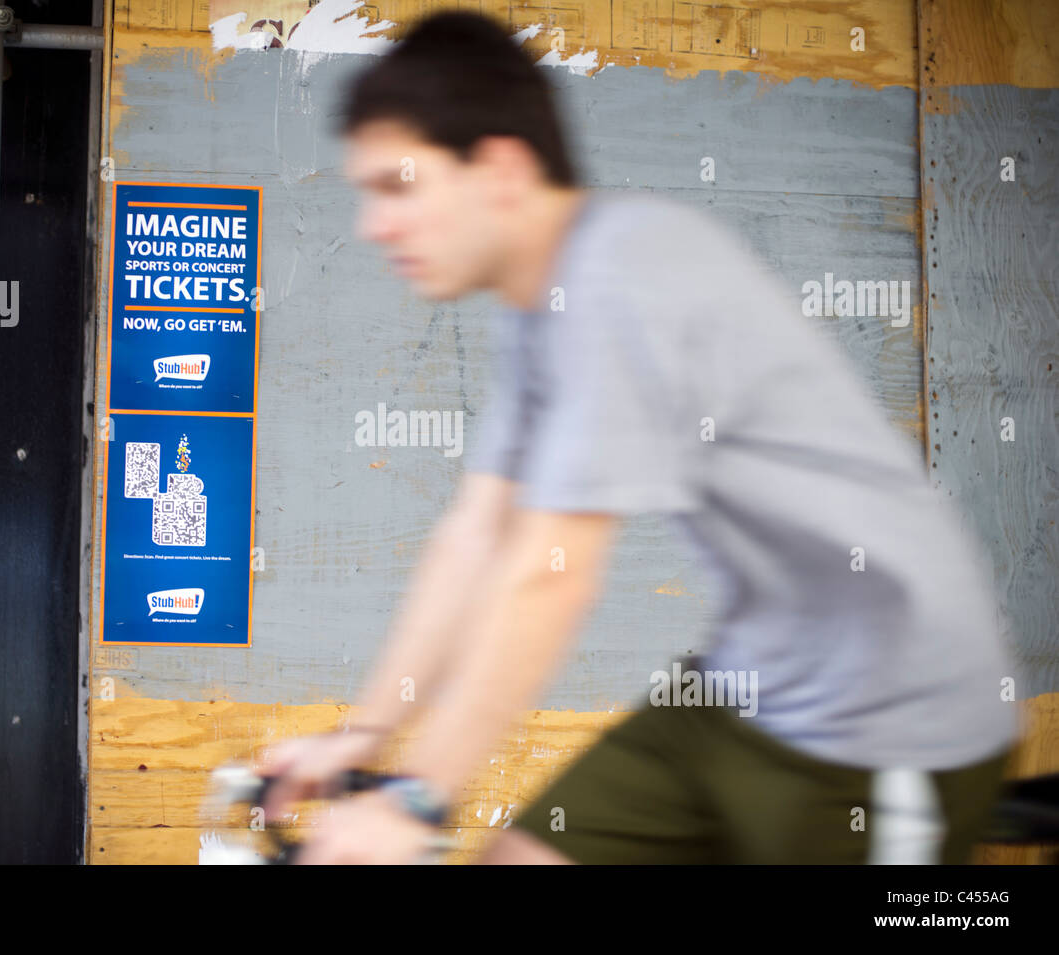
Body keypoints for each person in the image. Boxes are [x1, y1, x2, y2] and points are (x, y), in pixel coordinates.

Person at [252, 10, 1021, 864]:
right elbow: (475, 537)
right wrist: (366, 735)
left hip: (892, 720)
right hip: (745, 687)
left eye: (397, 187)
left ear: (501, 170)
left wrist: (417, 798)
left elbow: (552, 576)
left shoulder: (620, 275)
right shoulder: (537, 306)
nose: (373, 224)